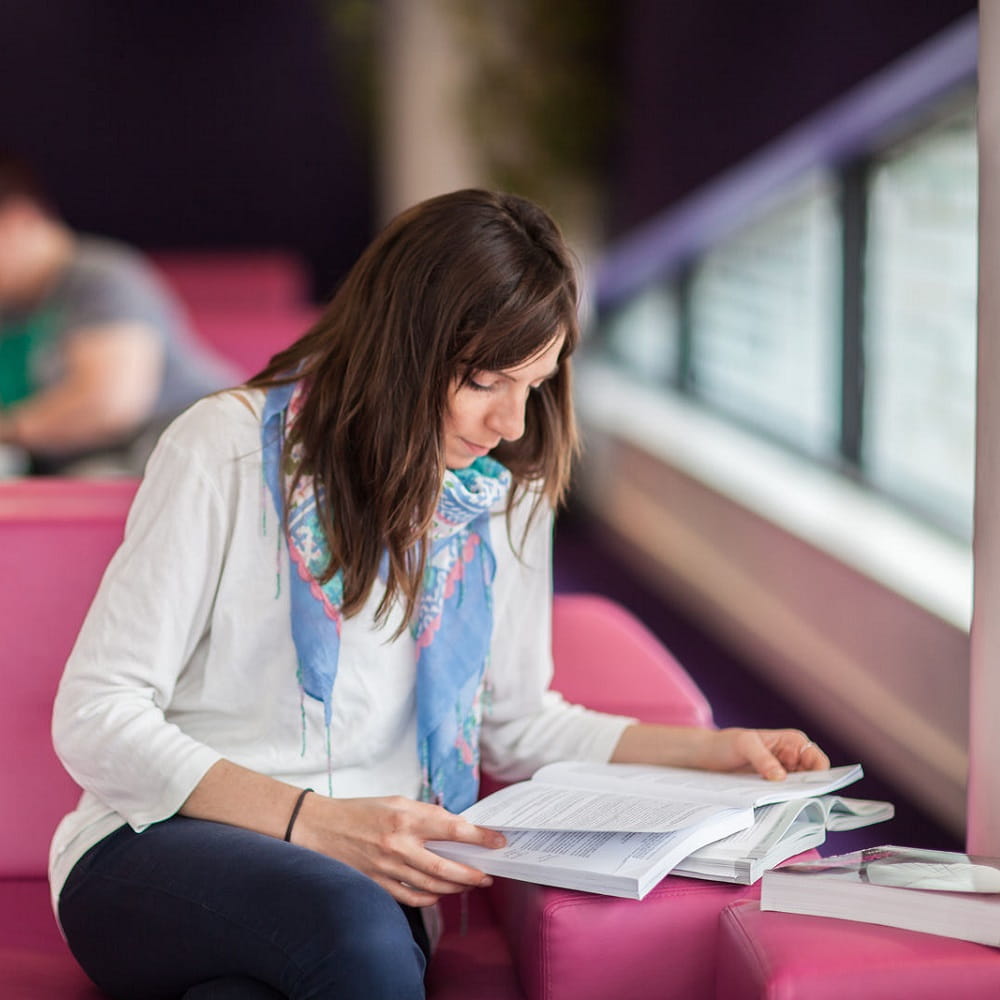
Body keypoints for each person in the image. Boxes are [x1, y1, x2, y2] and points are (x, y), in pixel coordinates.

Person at [50, 189, 830, 1000]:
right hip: (162, 845)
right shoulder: (227, 447)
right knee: (348, 927)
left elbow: (514, 725)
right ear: (400, 348)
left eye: (536, 382)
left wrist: (714, 750)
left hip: (376, 876)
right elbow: (97, 714)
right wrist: (318, 823)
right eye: (486, 380)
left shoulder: (504, 494)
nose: (514, 423)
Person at [0, 152, 237, 475]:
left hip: (190, 457)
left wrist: (8, 429)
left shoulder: (101, 278)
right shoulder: (15, 307)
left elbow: (108, 404)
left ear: (18, 221)